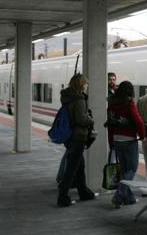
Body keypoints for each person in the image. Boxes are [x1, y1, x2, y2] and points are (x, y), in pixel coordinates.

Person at [57, 73, 95, 207]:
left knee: (80, 166)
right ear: (81, 85)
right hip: (78, 137)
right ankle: (63, 197)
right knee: (72, 169)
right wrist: (91, 119)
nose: (87, 86)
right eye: (86, 83)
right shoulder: (79, 100)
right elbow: (81, 119)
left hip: (70, 137)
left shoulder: (67, 98)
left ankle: (84, 192)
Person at [107, 81, 146, 208]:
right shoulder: (129, 103)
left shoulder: (112, 104)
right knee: (131, 170)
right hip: (129, 140)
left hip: (117, 139)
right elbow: (138, 121)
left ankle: (129, 198)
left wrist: (111, 141)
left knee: (124, 171)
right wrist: (142, 135)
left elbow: (110, 124)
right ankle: (118, 197)